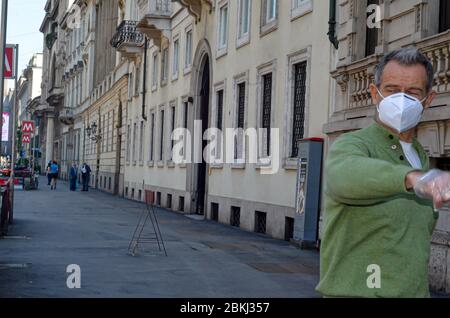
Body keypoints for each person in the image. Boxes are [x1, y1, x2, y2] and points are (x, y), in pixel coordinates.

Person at [316, 47, 450, 298]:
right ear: (374, 94)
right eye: (391, 89)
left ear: (428, 100)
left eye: (412, 92)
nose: (401, 99)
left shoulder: (420, 156)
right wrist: (411, 179)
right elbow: (343, 176)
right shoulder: (352, 145)